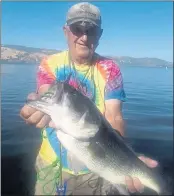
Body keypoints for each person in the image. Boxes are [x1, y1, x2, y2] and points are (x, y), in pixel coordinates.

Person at [20, 2, 158, 195]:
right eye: (77, 29)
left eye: (91, 30)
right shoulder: (49, 64)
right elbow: (46, 95)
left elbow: (114, 117)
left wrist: (128, 158)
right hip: (52, 164)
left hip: (97, 170)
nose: (84, 37)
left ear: (99, 35)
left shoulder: (111, 69)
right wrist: (36, 106)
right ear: (66, 31)